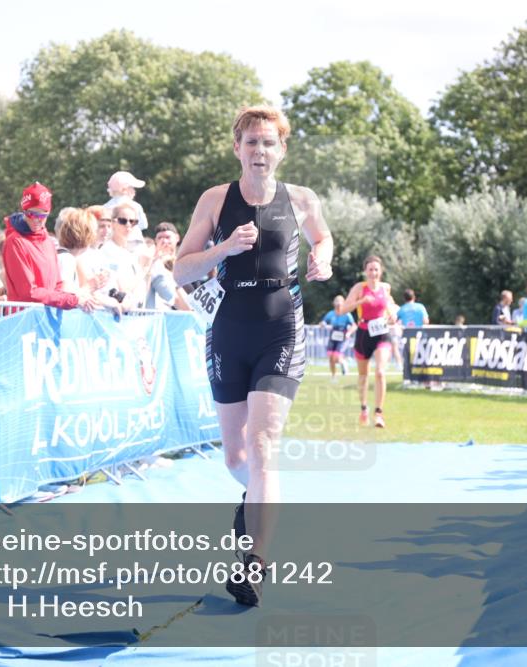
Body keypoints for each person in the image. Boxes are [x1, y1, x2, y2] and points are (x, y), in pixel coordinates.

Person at [173, 105, 333, 607]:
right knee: (237, 456)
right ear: (237, 148)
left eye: (268, 143)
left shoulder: (303, 199)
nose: (259, 151)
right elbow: (179, 270)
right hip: (229, 328)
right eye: (251, 142)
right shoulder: (215, 201)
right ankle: (259, 498)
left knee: (263, 443)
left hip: (281, 327)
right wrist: (224, 250)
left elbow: (323, 237)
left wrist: (321, 257)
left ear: (281, 150)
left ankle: (256, 565)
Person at [2, 182, 99, 311]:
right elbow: (29, 292)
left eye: (42, 215)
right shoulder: (15, 241)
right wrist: (73, 300)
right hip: (24, 319)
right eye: (32, 214)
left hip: (46, 319)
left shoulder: (47, 241)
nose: (37, 220)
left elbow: (57, 285)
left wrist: (77, 299)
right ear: (24, 211)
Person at [337, 255, 398, 429]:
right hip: (363, 334)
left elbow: (391, 305)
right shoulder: (359, 288)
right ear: (365, 271)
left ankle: (378, 414)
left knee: (380, 372)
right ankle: (364, 408)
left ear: (381, 271)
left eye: (376, 269)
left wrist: (393, 315)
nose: (373, 273)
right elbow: (342, 310)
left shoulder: (385, 288)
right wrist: (361, 301)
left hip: (382, 334)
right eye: (370, 269)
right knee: (363, 376)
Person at [105, 170, 149, 254]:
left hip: (112, 245)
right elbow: (143, 225)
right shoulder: (136, 206)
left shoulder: (104, 207)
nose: (134, 191)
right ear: (124, 189)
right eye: (132, 188)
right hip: (134, 245)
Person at [321, 295, 356, 382]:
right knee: (330, 358)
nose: (338, 306)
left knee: (336, 357)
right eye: (337, 304)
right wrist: (322, 324)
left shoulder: (347, 314)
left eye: (340, 304)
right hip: (333, 337)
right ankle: (333, 377)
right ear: (334, 304)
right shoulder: (331, 313)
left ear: (343, 304)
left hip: (343, 337)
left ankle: (343, 363)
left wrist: (349, 333)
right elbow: (323, 322)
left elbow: (354, 326)